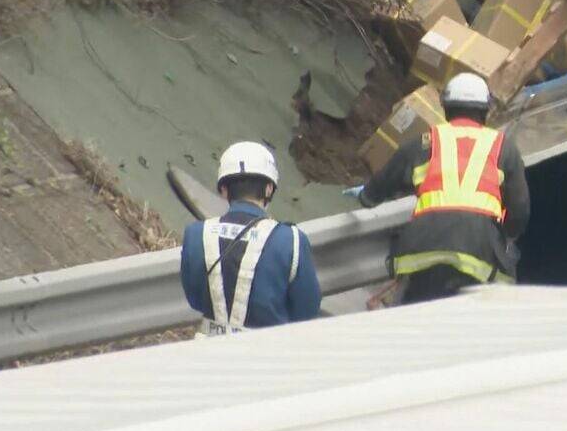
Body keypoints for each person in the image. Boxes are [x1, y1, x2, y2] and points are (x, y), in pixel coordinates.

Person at [355, 73, 529, 304]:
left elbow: (374, 192)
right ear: (485, 110)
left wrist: (365, 196)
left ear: (446, 107)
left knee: (416, 315)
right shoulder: (504, 149)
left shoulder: (423, 143)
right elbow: (519, 214)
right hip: (478, 254)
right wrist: (501, 235)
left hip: (421, 248)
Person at [180, 142, 321, 334]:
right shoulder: (292, 241)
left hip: (207, 352)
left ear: (224, 190)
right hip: (264, 356)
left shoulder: (196, 233)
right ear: (269, 189)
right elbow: (306, 311)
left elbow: (194, 298)